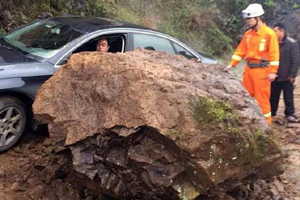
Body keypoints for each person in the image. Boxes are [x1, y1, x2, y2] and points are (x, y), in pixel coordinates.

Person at [226, 3, 280, 124]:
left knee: (262, 100)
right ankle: (250, 124)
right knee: (246, 98)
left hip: (262, 72)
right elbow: (240, 51)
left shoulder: (269, 34)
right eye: (247, 19)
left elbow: (274, 55)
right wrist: (232, 64)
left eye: (249, 19)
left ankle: (266, 127)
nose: (247, 21)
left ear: (258, 18)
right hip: (249, 71)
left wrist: (272, 72)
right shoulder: (248, 34)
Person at [270, 23, 300, 122]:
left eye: (276, 31)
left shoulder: (292, 44)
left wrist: (292, 74)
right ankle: (271, 113)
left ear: (282, 31)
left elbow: (295, 61)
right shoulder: (273, 44)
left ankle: (290, 114)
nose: (274, 33)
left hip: (287, 76)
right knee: (273, 96)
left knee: (288, 97)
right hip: (275, 75)